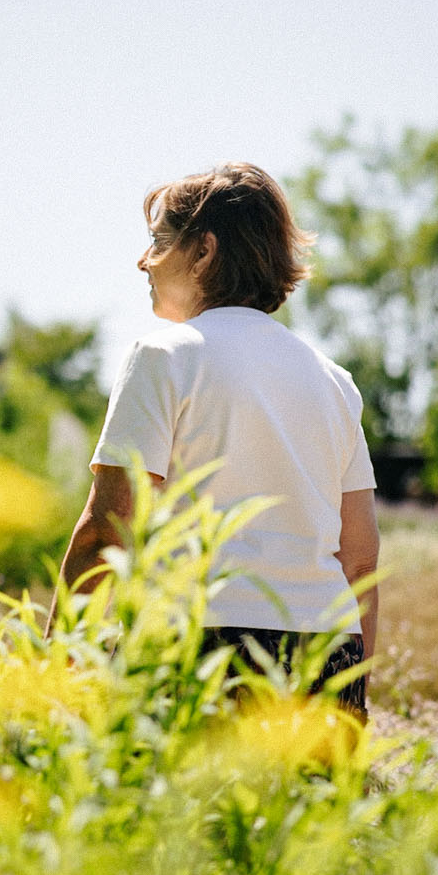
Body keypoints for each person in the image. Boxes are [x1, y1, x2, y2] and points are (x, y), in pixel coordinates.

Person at [58, 163, 380, 717]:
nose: (144, 259)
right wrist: (352, 693)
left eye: (159, 240)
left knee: (186, 806)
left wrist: (55, 666)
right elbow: (359, 560)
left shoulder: (162, 357)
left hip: (198, 642)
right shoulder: (334, 382)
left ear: (204, 251)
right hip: (326, 651)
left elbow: (104, 531)